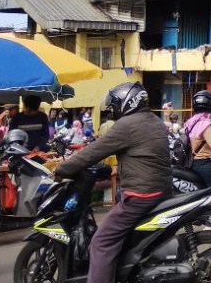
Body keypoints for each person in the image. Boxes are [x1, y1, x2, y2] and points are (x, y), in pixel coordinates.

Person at [54, 82, 172, 283]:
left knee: (101, 241)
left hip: (141, 194)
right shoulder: (154, 120)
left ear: (128, 102)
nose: (114, 110)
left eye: (116, 105)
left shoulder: (127, 125)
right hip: (161, 189)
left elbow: (92, 153)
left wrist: (61, 169)